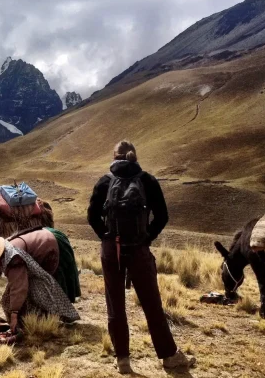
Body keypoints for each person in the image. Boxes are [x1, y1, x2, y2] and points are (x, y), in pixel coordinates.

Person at [87, 140, 196, 373]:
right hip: (138, 249)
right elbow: (163, 216)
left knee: (115, 304)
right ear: (133, 155)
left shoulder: (105, 182)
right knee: (151, 303)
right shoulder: (147, 180)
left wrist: (106, 236)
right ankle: (168, 356)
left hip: (111, 250)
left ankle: (123, 359)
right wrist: (147, 238)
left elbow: (92, 216)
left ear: (114, 157)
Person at [0, 231, 80, 332]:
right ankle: (30, 320)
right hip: (36, 248)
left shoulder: (12, 258)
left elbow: (19, 286)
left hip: (49, 246)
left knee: (39, 291)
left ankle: (51, 319)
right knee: (8, 302)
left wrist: (15, 314)